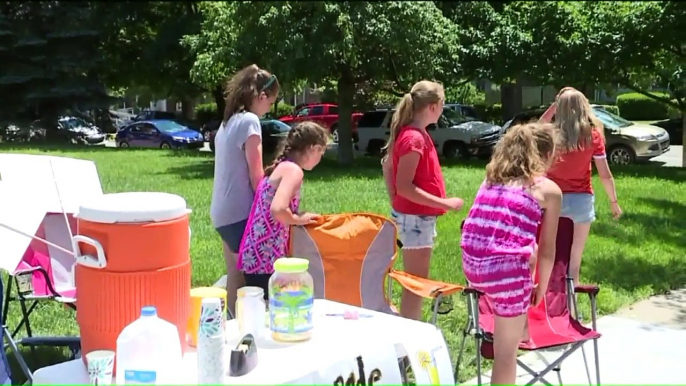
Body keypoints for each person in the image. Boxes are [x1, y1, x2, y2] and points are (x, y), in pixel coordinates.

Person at [461, 123, 563, 386]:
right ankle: (520, 326)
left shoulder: (491, 179)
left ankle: (522, 324)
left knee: (527, 247)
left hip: (472, 265)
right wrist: (540, 287)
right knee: (505, 355)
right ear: (548, 154)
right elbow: (549, 249)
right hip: (505, 273)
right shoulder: (548, 190)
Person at [380, 80, 464, 320]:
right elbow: (405, 187)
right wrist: (445, 203)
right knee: (416, 286)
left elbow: (388, 169)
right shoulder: (413, 138)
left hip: (416, 218)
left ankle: (409, 333)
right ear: (434, 106)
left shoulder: (416, 135)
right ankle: (409, 340)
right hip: (415, 219)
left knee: (416, 283)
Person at [210, 64, 280, 316]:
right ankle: (252, 325)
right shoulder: (250, 121)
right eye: (270, 103)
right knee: (255, 277)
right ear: (261, 97)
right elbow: (255, 175)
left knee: (234, 274)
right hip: (239, 213)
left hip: (221, 213)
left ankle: (230, 323)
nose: (268, 109)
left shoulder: (228, 122)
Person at [540, 87, 622, 287]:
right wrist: (614, 202)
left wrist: (555, 104)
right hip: (581, 201)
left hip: (552, 200)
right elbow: (604, 174)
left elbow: (538, 124)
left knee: (549, 254)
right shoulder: (592, 136)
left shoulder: (552, 134)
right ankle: (571, 307)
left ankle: (548, 301)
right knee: (574, 260)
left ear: (560, 108)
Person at [236, 121, 329, 298]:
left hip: (255, 255)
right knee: (272, 312)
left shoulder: (283, 166)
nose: (320, 158)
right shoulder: (294, 171)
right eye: (321, 153)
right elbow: (278, 209)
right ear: (312, 149)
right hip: (266, 258)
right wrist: (299, 219)